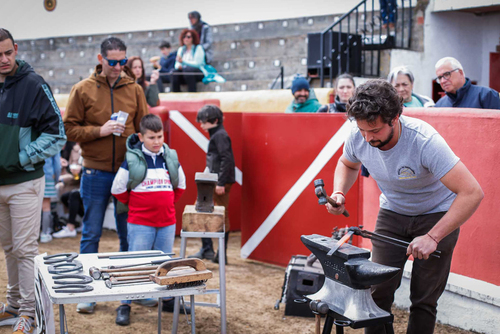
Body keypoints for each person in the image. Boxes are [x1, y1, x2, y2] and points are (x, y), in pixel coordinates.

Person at [325, 79, 483, 334]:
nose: (367, 137)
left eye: (374, 130)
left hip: (436, 216)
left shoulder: (424, 140)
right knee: (376, 291)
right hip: (393, 213)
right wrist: (339, 191)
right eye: (363, 130)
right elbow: (348, 163)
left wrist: (433, 237)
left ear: (395, 117)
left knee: (423, 299)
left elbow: (472, 192)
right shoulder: (358, 135)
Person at [63, 36, 149, 314]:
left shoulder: (134, 88)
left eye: (122, 61)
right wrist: (99, 131)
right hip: (95, 172)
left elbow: (144, 126)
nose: (118, 66)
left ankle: (129, 291)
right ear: (100, 59)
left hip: (127, 173)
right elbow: (69, 129)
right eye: (112, 61)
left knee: (129, 235)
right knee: (91, 233)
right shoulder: (82, 89)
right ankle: (88, 290)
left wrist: (138, 139)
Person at [0, 28, 66, 334]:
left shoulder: (34, 84)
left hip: (25, 182)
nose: (3, 60)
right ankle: (13, 304)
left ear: (16, 49)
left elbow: (57, 135)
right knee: (9, 247)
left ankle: (28, 311)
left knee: (25, 249)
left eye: (7, 53)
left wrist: (21, 157)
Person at [111, 114, 188, 325]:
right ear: (141, 137)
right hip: (140, 223)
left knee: (165, 263)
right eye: (151, 137)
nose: (156, 142)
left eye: (160, 136)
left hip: (167, 222)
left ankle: (169, 299)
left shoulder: (170, 157)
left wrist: (168, 202)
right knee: (135, 264)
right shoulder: (132, 159)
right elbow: (117, 189)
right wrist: (136, 205)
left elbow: (181, 185)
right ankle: (125, 303)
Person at [190, 105, 235, 264]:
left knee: (217, 214)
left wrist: (221, 182)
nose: (201, 125)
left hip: (218, 182)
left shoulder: (220, 135)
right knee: (209, 211)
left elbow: (226, 159)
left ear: (214, 121)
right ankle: (212, 251)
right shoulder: (218, 134)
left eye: (204, 122)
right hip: (216, 180)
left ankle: (215, 252)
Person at [434, 57, 500, 109]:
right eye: (439, 78)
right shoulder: (439, 105)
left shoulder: (485, 95)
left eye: (447, 74)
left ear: (460, 72)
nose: (443, 81)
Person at [52, 142, 83, 239]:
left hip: (82, 184)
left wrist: (78, 171)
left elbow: (78, 176)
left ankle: (70, 227)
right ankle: (84, 220)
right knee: (64, 197)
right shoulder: (62, 151)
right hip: (74, 181)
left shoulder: (77, 151)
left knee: (74, 195)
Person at [39, 153, 62, 243]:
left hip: (31, 178)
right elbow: (57, 165)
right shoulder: (54, 141)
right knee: (46, 207)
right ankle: (44, 234)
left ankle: (33, 234)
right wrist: (56, 179)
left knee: (32, 206)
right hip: (47, 176)